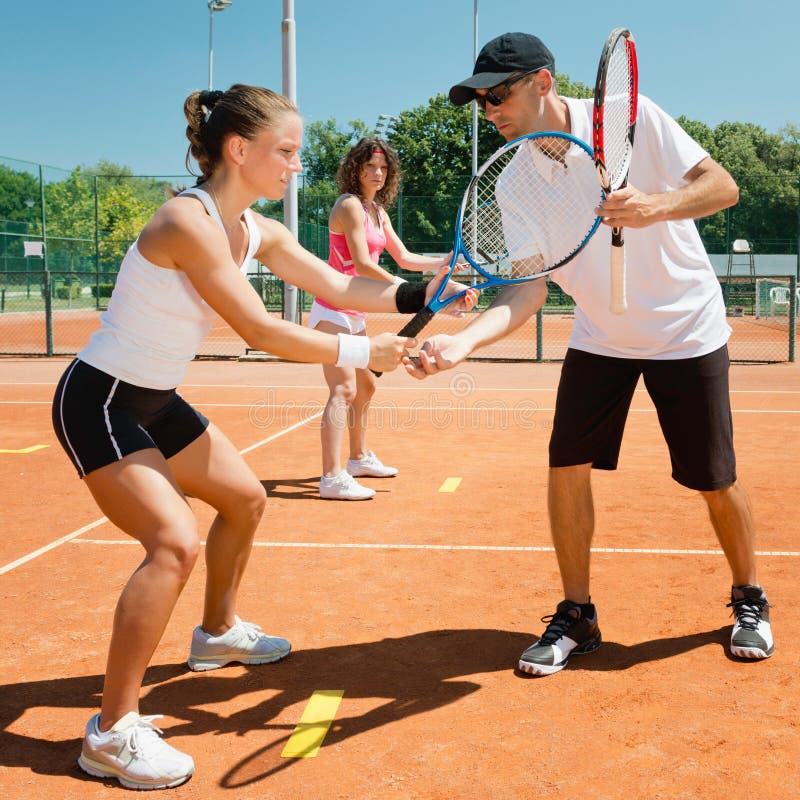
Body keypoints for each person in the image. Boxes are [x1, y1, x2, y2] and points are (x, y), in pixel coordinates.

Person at [51, 84, 473, 790]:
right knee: (174, 541)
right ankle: (111, 732)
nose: (295, 167)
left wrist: (420, 297)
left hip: (155, 400)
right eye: (285, 152)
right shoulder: (187, 222)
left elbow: (338, 287)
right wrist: (361, 354)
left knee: (245, 499)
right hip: (102, 401)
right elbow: (258, 329)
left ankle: (216, 637)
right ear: (238, 149)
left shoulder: (257, 229)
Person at [405, 33, 774, 675]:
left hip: (685, 327)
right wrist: (462, 342)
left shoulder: (631, 120)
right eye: (481, 100)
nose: (489, 109)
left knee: (714, 478)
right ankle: (577, 613)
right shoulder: (514, 181)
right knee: (565, 463)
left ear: (542, 82)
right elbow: (527, 288)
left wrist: (656, 206)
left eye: (499, 94)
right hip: (600, 333)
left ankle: (749, 597)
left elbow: (723, 186)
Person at [310, 138, 460, 500]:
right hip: (332, 309)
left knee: (366, 387)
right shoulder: (348, 206)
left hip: (355, 312)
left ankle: (358, 458)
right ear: (355, 170)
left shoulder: (378, 212)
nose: (377, 174)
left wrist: (444, 262)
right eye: (369, 167)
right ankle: (331, 478)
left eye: (383, 168)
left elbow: (406, 256)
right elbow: (363, 264)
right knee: (343, 390)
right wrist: (415, 290)